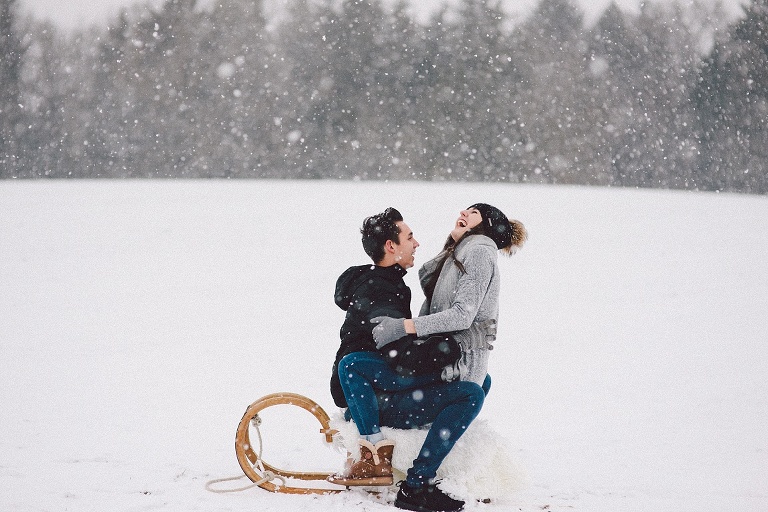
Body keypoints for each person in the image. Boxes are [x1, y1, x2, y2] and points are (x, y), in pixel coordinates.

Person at [331, 204, 526, 512]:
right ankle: (414, 481)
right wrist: (438, 347)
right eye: (411, 237)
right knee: (472, 392)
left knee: (478, 385)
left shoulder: (471, 252)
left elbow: (456, 314)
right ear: (391, 246)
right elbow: (391, 352)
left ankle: (423, 469)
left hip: (392, 382)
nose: (417, 243)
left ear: (485, 224)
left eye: (473, 212)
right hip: (378, 393)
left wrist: (420, 336)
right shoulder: (384, 287)